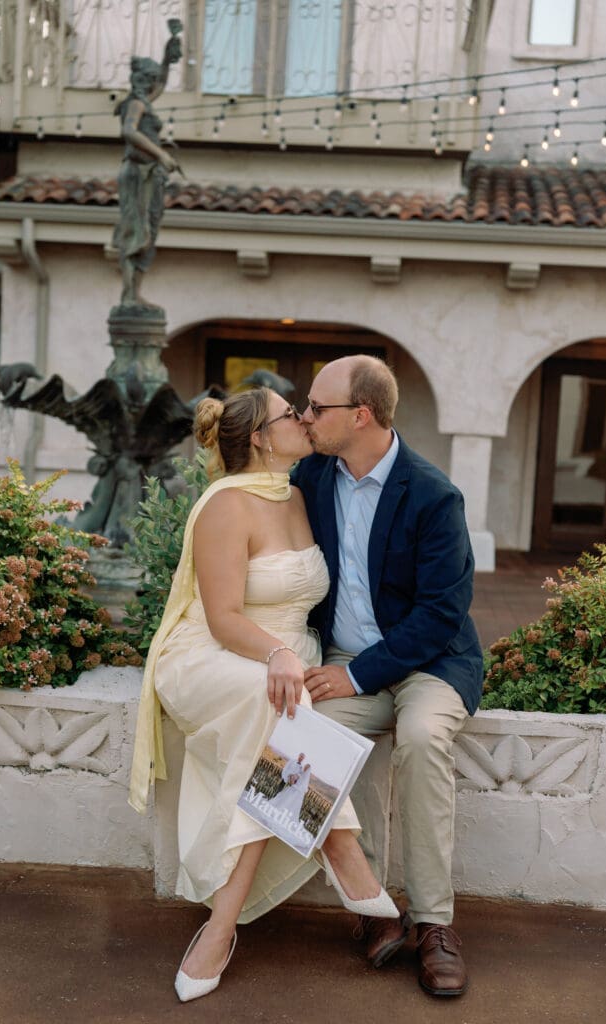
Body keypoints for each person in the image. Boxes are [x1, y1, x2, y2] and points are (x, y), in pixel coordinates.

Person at [129, 387, 399, 1004]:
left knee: (278, 720)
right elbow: (222, 616)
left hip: (284, 661)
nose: (304, 419)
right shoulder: (224, 504)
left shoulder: (300, 493)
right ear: (258, 437)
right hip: (213, 655)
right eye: (290, 415)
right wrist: (276, 654)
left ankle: (220, 928)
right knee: (276, 705)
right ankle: (342, 846)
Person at [292, 355, 484, 998]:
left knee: (425, 738)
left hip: (430, 665)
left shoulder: (433, 494)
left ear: (362, 415)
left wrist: (360, 675)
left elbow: (441, 613)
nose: (306, 417)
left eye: (317, 408)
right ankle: (371, 906)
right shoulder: (312, 478)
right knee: (293, 738)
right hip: (344, 663)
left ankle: (435, 926)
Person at [113, 24, 183, 308]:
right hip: (137, 173)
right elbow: (129, 132)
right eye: (152, 78)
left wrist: (168, 55)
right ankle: (129, 295)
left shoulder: (145, 101)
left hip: (149, 175)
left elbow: (163, 85)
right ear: (142, 79)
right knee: (136, 229)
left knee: (149, 230)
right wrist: (161, 155)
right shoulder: (135, 105)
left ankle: (135, 293)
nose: (155, 84)